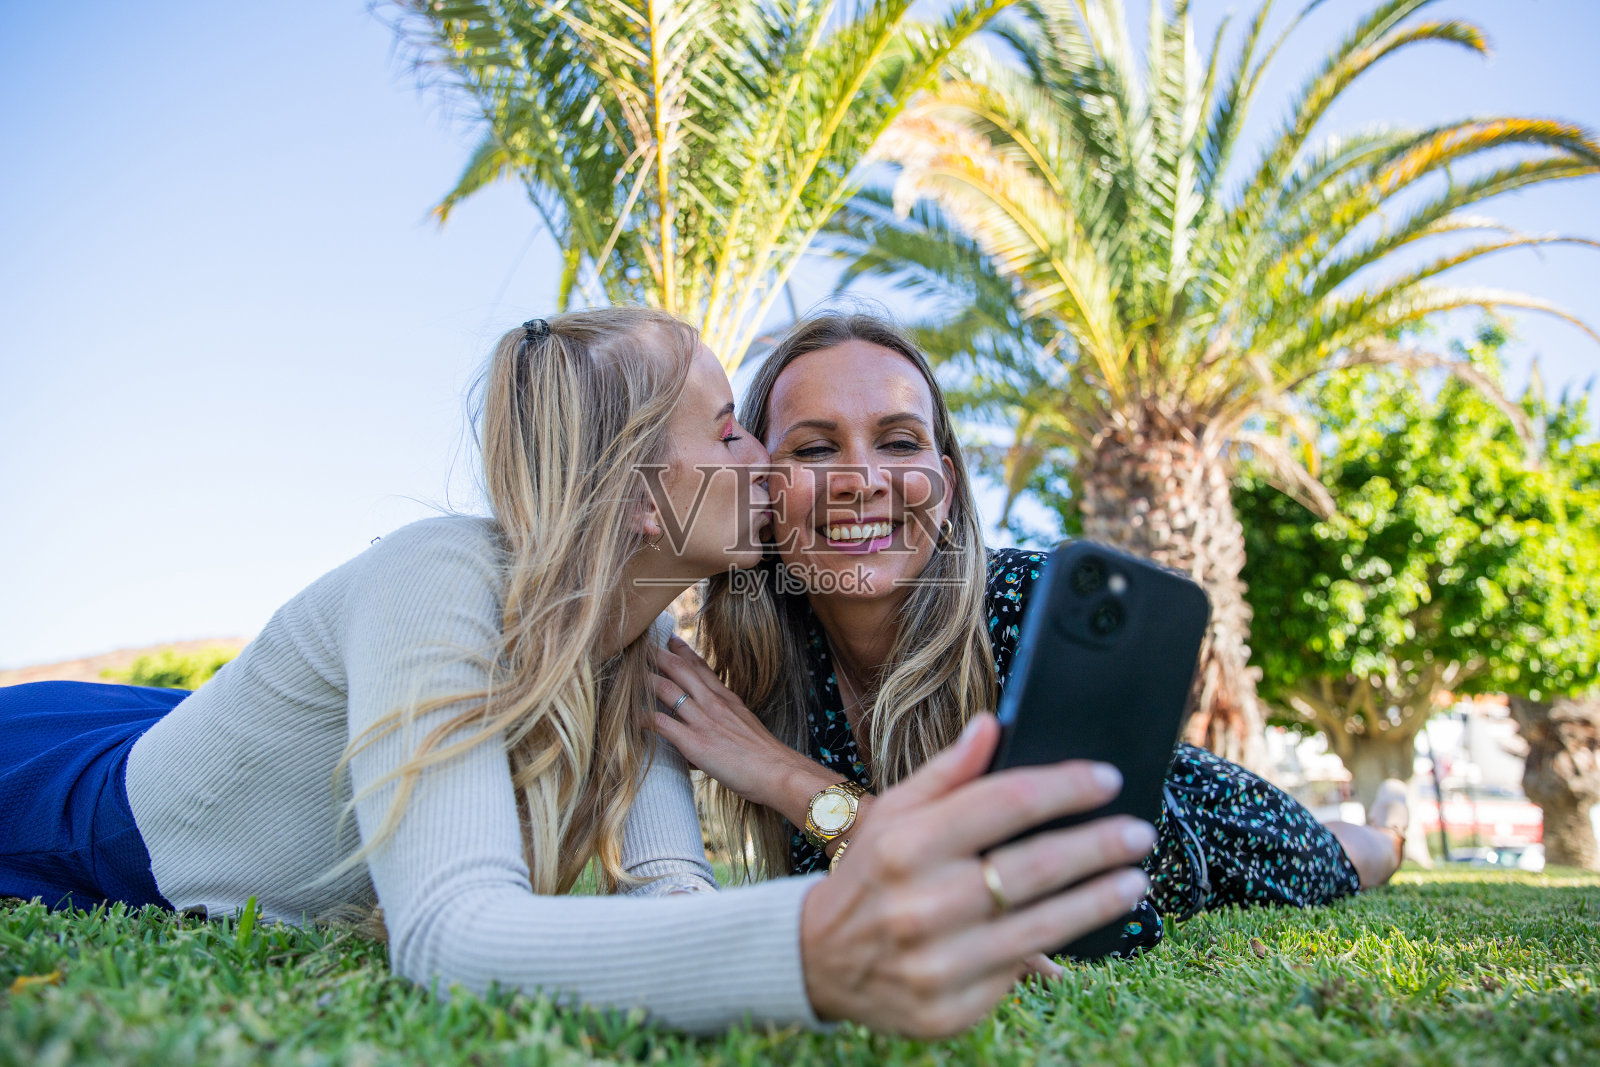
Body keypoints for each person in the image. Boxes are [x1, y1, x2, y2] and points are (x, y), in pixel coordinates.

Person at [0, 308, 1158, 1037]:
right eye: (729, 429)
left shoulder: (639, 645)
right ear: (640, 483)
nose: (770, 460)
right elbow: (451, 937)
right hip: (70, 797)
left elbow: (671, 891)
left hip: (199, 735)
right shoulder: (439, 577)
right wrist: (814, 939)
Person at [649, 311, 1411, 958]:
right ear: (764, 491)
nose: (862, 479)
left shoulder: (1031, 604)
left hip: (1209, 828)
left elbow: (1086, 914)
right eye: (814, 448)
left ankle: (1387, 826)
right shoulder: (770, 647)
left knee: (1356, 855)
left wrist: (782, 776)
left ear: (944, 489)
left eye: (899, 442)